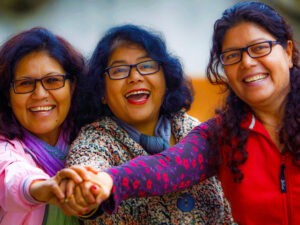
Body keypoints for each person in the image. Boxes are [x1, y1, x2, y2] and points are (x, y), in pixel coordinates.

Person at [65, 2, 300, 225]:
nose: (247, 62)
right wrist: (107, 181)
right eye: (232, 55)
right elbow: (169, 167)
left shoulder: (187, 125)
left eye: (260, 48)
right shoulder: (221, 135)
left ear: (288, 52)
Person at [65, 24, 234, 224]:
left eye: (146, 66)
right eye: (119, 70)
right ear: (101, 91)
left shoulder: (193, 128)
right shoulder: (94, 141)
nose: (135, 77)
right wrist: (88, 187)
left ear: (165, 79)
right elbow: (87, 169)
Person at [0, 27, 95, 225]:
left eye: (52, 80)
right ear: (7, 96)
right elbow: (10, 179)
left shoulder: (93, 136)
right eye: (25, 84)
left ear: (73, 86)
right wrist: (43, 188)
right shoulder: (6, 150)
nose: (40, 94)